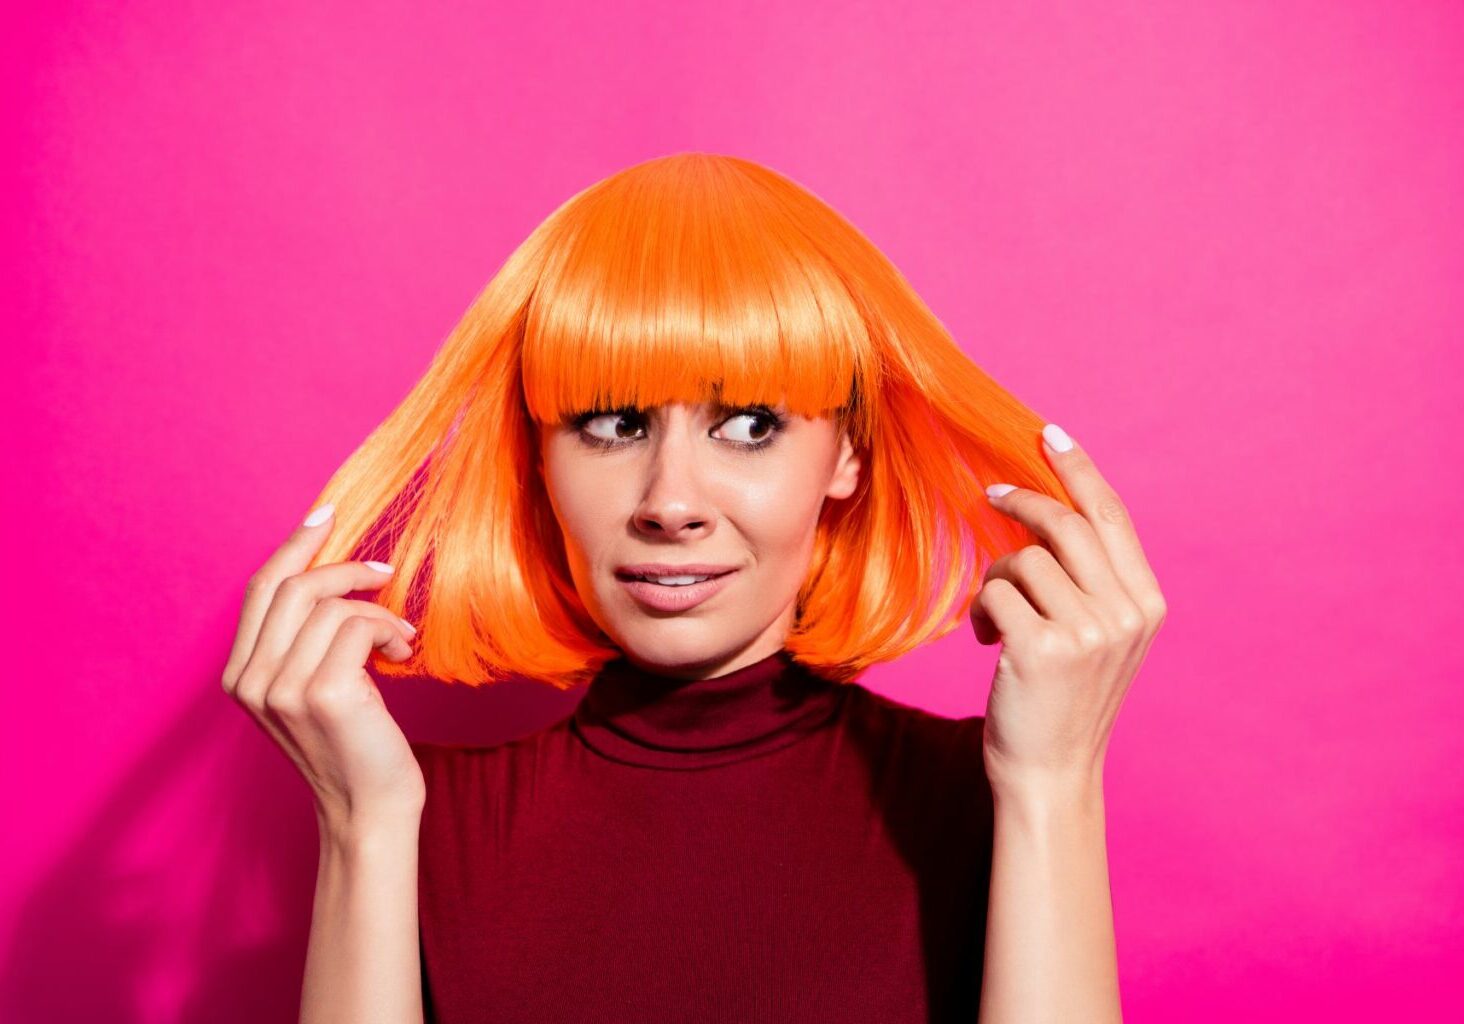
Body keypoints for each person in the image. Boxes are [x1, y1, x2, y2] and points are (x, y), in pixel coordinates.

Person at [221, 152, 1166, 1023]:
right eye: (612, 423)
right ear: (540, 460)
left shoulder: (992, 796)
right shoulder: (413, 813)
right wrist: (361, 827)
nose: (670, 502)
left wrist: (1053, 786)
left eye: (750, 424)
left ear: (847, 454)